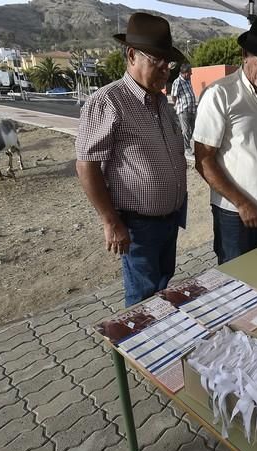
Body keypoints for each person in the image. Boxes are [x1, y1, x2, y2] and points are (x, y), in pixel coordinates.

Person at [75, 12, 187, 307]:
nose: (165, 67)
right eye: (157, 59)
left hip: (170, 220)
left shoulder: (161, 102)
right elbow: (86, 164)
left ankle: (158, 346)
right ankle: (137, 351)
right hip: (138, 226)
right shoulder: (108, 101)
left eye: (169, 61)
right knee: (142, 299)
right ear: (131, 55)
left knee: (162, 289)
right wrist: (110, 220)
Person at [193, 13, 257, 264]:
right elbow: (203, 160)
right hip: (235, 215)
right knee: (234, 282)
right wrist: (242, 203)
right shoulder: (220, 94)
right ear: (245, 54)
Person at [170, 63, 196, 156]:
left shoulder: (188, 80)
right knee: (185, 130)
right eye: (190, 73)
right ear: (184, 73)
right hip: (183, 110)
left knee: (194, 130)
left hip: (192, 109)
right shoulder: (177, 82)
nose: (191, 74)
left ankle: (195, 148)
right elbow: (173, 95)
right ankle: (187, 148)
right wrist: (177, 104)